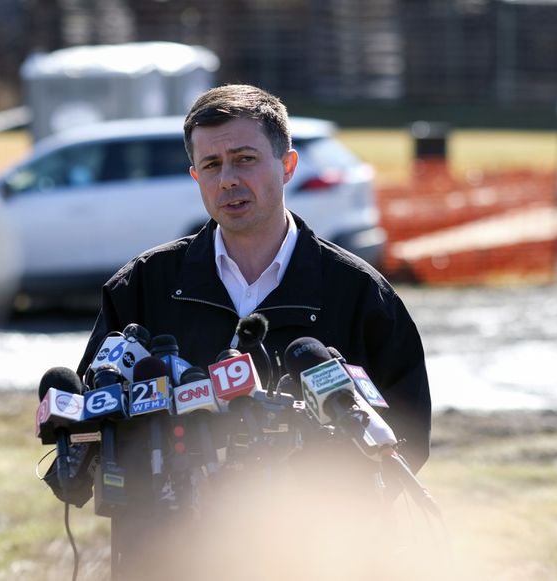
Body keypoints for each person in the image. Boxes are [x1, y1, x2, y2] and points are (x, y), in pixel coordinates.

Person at [75, 84, 431, 578]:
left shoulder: (359, 294)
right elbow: (91, 429)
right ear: (195, 174)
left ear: (287, 166)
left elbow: (407, 437)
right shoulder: (142, 288)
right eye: (213, 165)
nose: (228, 180)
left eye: (245, 159)